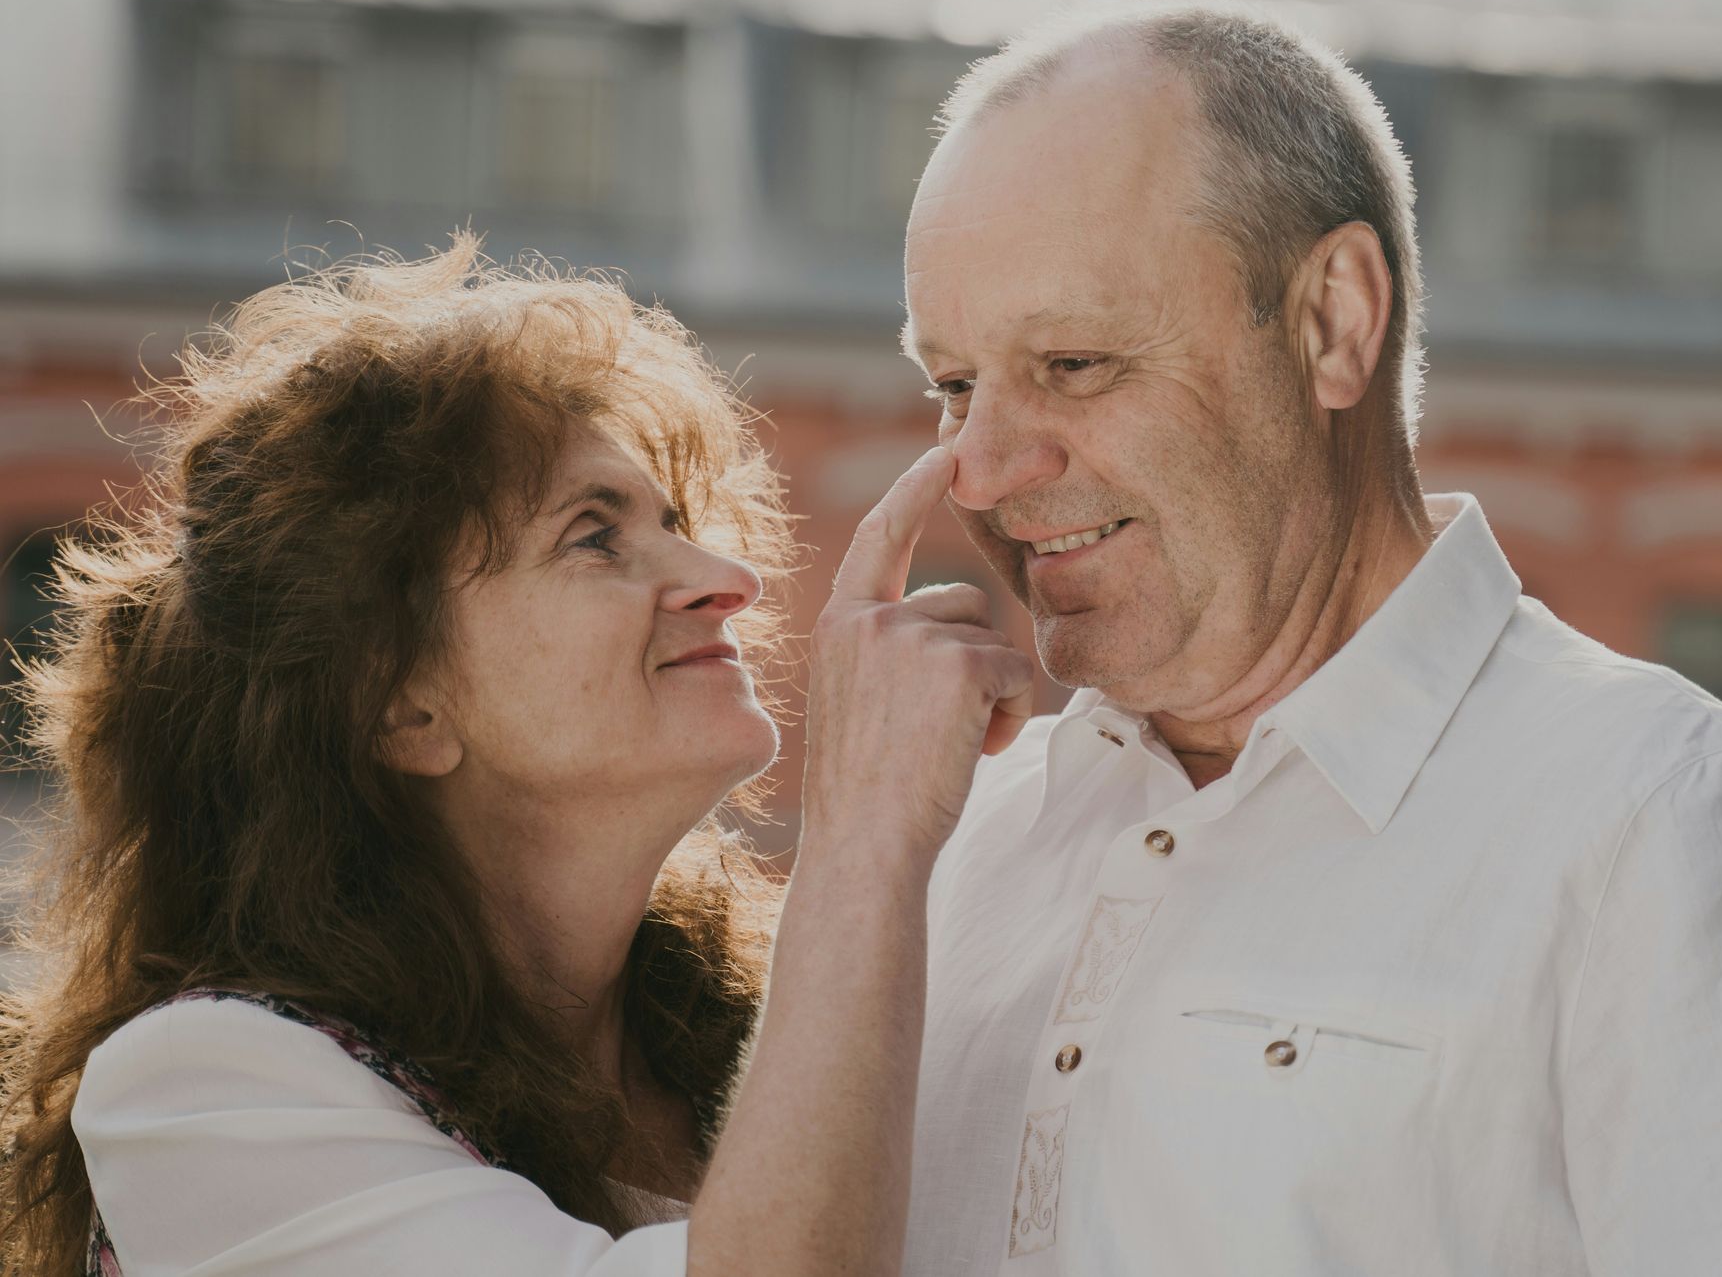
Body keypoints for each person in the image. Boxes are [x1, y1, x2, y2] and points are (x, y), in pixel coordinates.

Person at [897, 0, 1722, 1275]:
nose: (980, 472)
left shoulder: (1652, 823)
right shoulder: (955, 845)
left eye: (1077, 364)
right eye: (950, 385)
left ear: (1333, 322)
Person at [0, 237, 1032, 1275]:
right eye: (594, 538)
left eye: (672, 523)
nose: (727, 577)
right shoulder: (208, 1087)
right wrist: (863, 828)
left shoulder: (764, 1039)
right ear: (401, 708)